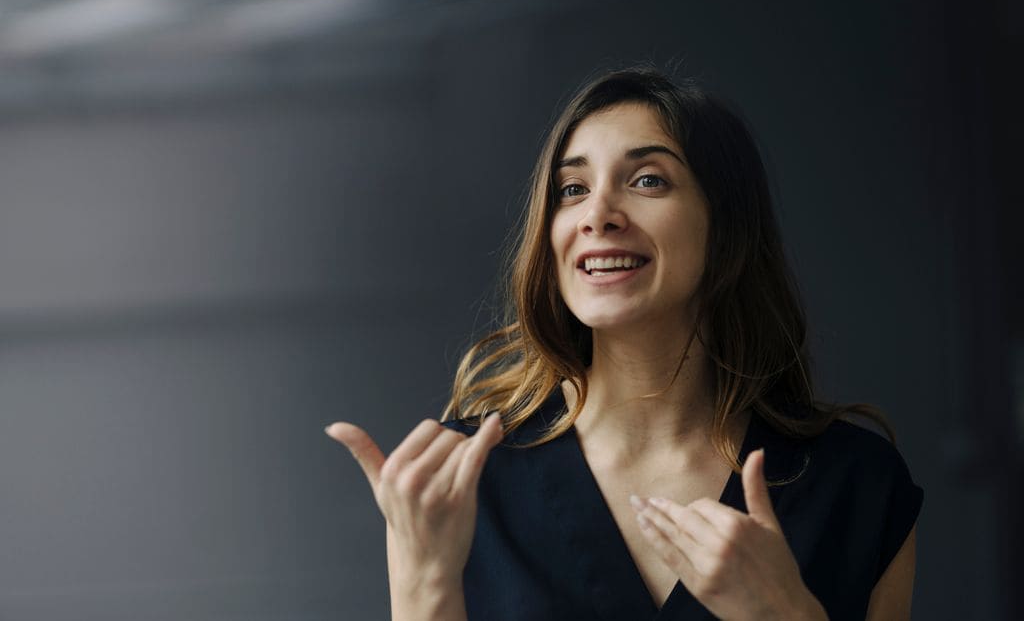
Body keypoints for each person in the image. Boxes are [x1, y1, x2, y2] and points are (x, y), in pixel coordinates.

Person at [325, 66, 923, 621]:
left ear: (727, 228)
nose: (598, 214)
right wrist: (422, 584)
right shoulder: (459, 483)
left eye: (646, 180)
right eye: (572, 189)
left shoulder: (858, 485)